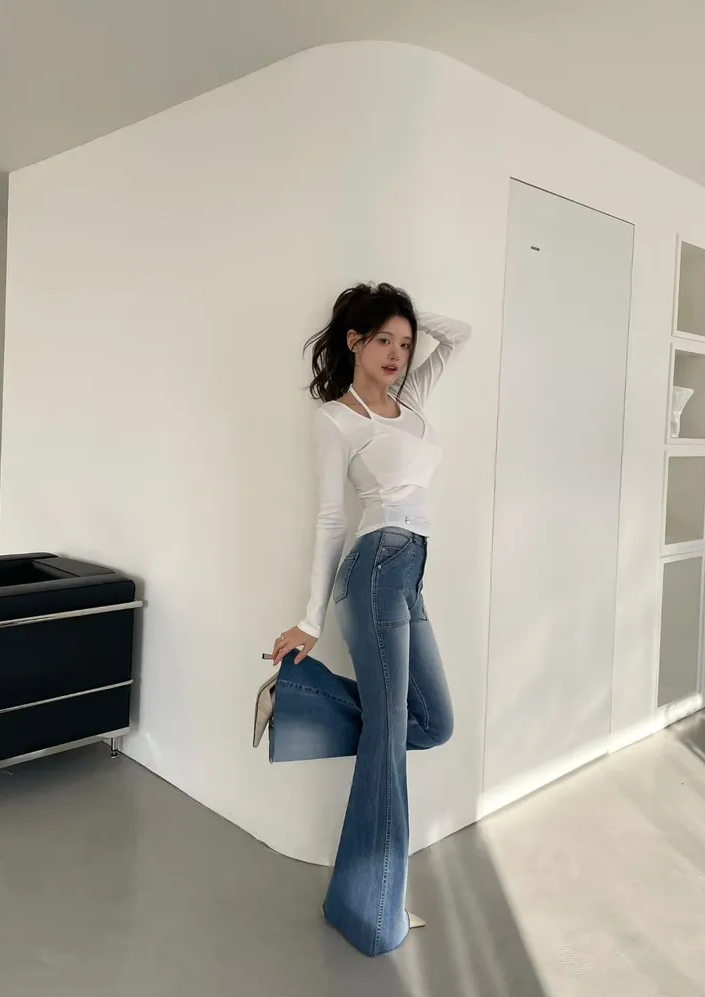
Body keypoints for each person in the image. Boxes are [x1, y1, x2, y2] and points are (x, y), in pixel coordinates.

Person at [253, 282, 471, 957]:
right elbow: (330, 520)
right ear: (354, 341)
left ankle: (299, 696)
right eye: (382, 339)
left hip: (410, 574)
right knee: (389, 734)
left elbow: (460, 334)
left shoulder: (412, 402)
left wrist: (398, 307)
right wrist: (309, 620)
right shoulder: (337, 419)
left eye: (405, 343)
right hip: (376, 569)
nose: (398, 354)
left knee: (431, 722)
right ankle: (374, 913)